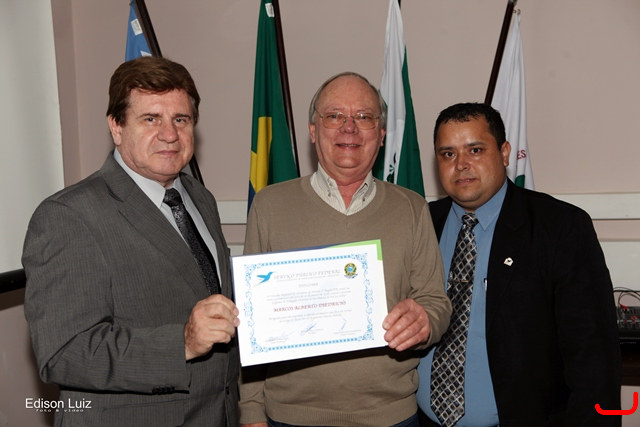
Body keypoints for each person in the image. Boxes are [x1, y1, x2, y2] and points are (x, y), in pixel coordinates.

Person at [23, 57, 240, 426]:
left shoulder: (199, 198)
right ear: (117, 127)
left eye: (181, 120)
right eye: (151, 119)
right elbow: (63, 353)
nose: (169, 134)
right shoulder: (68, 215)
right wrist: (182, 343)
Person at [238, 72, 452, 427]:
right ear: (313, 131)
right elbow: (252, 321)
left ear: (380, 135)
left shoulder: (412, 207)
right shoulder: (269, 205)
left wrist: (425, 322)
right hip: (289, 417)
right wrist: (250, 412)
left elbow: (436, 302)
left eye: (364, 117)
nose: (349, 127)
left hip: (391, 417)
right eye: (334, 115)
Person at [416, 102, 621, 426]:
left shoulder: (560, 228)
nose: (461, 165)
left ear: (505, 153)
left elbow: (594, 359)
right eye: (448, 154)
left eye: (475, 150)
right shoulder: (422, 223)